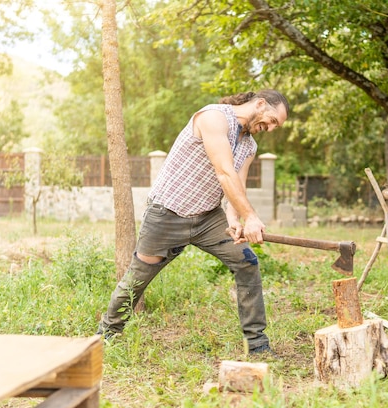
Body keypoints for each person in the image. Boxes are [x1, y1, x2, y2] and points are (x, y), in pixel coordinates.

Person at [97, 89, 289, 356]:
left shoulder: (249, 146)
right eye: (272, 121)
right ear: (259, 103)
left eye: (275, 126)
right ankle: (105, 335)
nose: (270, 128)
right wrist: (252, 217)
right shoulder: (213, 118)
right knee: (138, 277)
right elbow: (223, 172)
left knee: (247, 262)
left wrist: (235, 219)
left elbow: (237, 189)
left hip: (208, 219)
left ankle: (257, 344)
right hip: (167, 214)